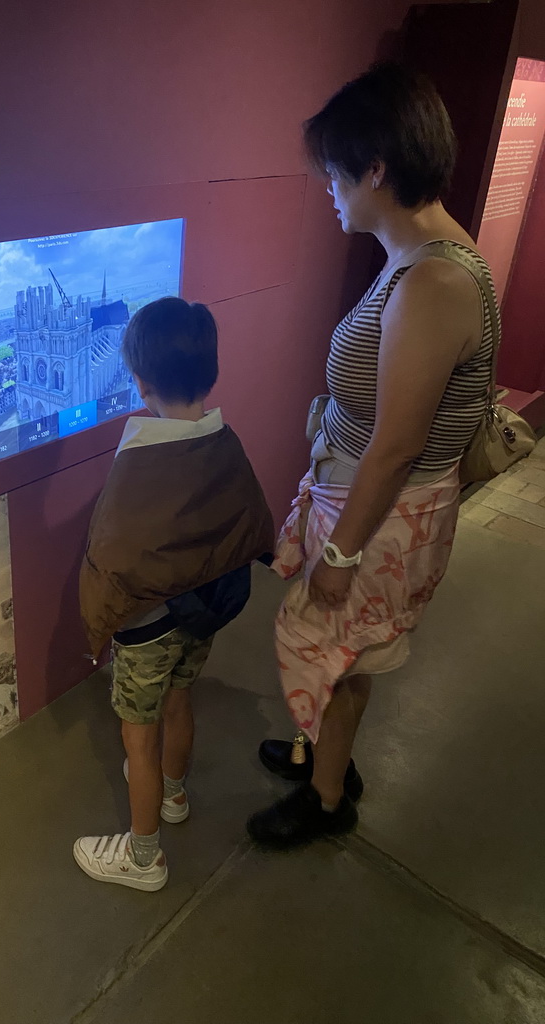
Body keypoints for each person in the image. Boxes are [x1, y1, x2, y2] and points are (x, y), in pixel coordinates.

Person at [248, 62, 497, 848]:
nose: (328, 187)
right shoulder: (419, 256)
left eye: (333, 171)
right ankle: (323, 755)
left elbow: (395, 447)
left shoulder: (434, 285)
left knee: (342, 654)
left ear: (376, 169)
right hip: (363, 495)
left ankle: (326, 800)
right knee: (336, 649)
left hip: (380, 515)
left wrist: (344, 551)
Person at [75, 297, 274, 891]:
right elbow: (250, 520)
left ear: (140, 382)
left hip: (147, 628)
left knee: (138, 736)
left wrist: (99, 618)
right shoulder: (224, 441)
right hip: (200, 617)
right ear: (209, 371)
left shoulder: (140, 458)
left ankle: (143, 858)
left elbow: (113, 554)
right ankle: (176, 795)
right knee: (181, 699)